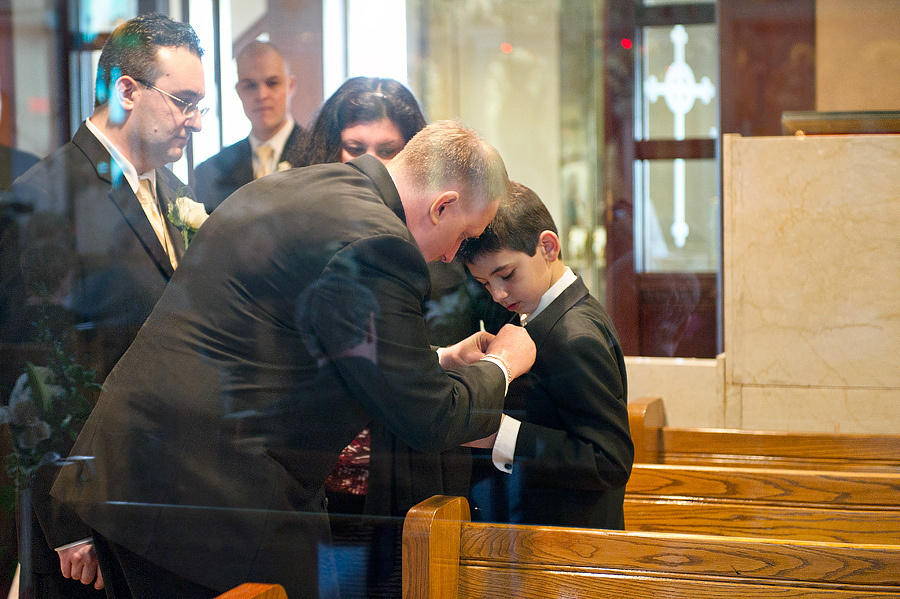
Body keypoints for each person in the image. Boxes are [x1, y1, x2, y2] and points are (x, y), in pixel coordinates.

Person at [51, 120, 535, 599]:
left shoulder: (295, 186)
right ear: (442, 205)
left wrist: (439, 357)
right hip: (212, 502)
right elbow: (430, 418)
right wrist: (503, 364)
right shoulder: (380, 243)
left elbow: (285, 337)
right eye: (464, 235)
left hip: (132, 472)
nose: (452, 256)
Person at [8, 12, 207, 595]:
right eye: (184, 102)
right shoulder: (47, 198)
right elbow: (31, 371)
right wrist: (69, 524)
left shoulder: (172, 190)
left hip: (162, 491)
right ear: (126, 92)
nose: (196, 121)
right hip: (89, 515)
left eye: (201, 105)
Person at [459, 181, 634, 529]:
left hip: (572, 542)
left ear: (548, 247)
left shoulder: (575, 335)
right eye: (484, 283)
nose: (497, 294)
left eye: (506, 274)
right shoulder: (541, 313)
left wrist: (499, 434)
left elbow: (609, 460)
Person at [194, 40, 306, 213]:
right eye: (250, 86)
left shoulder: (322, 155)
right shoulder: (210, 171)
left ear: (290, 85)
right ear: (239, 91)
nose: (261, 95)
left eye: (272, 83)